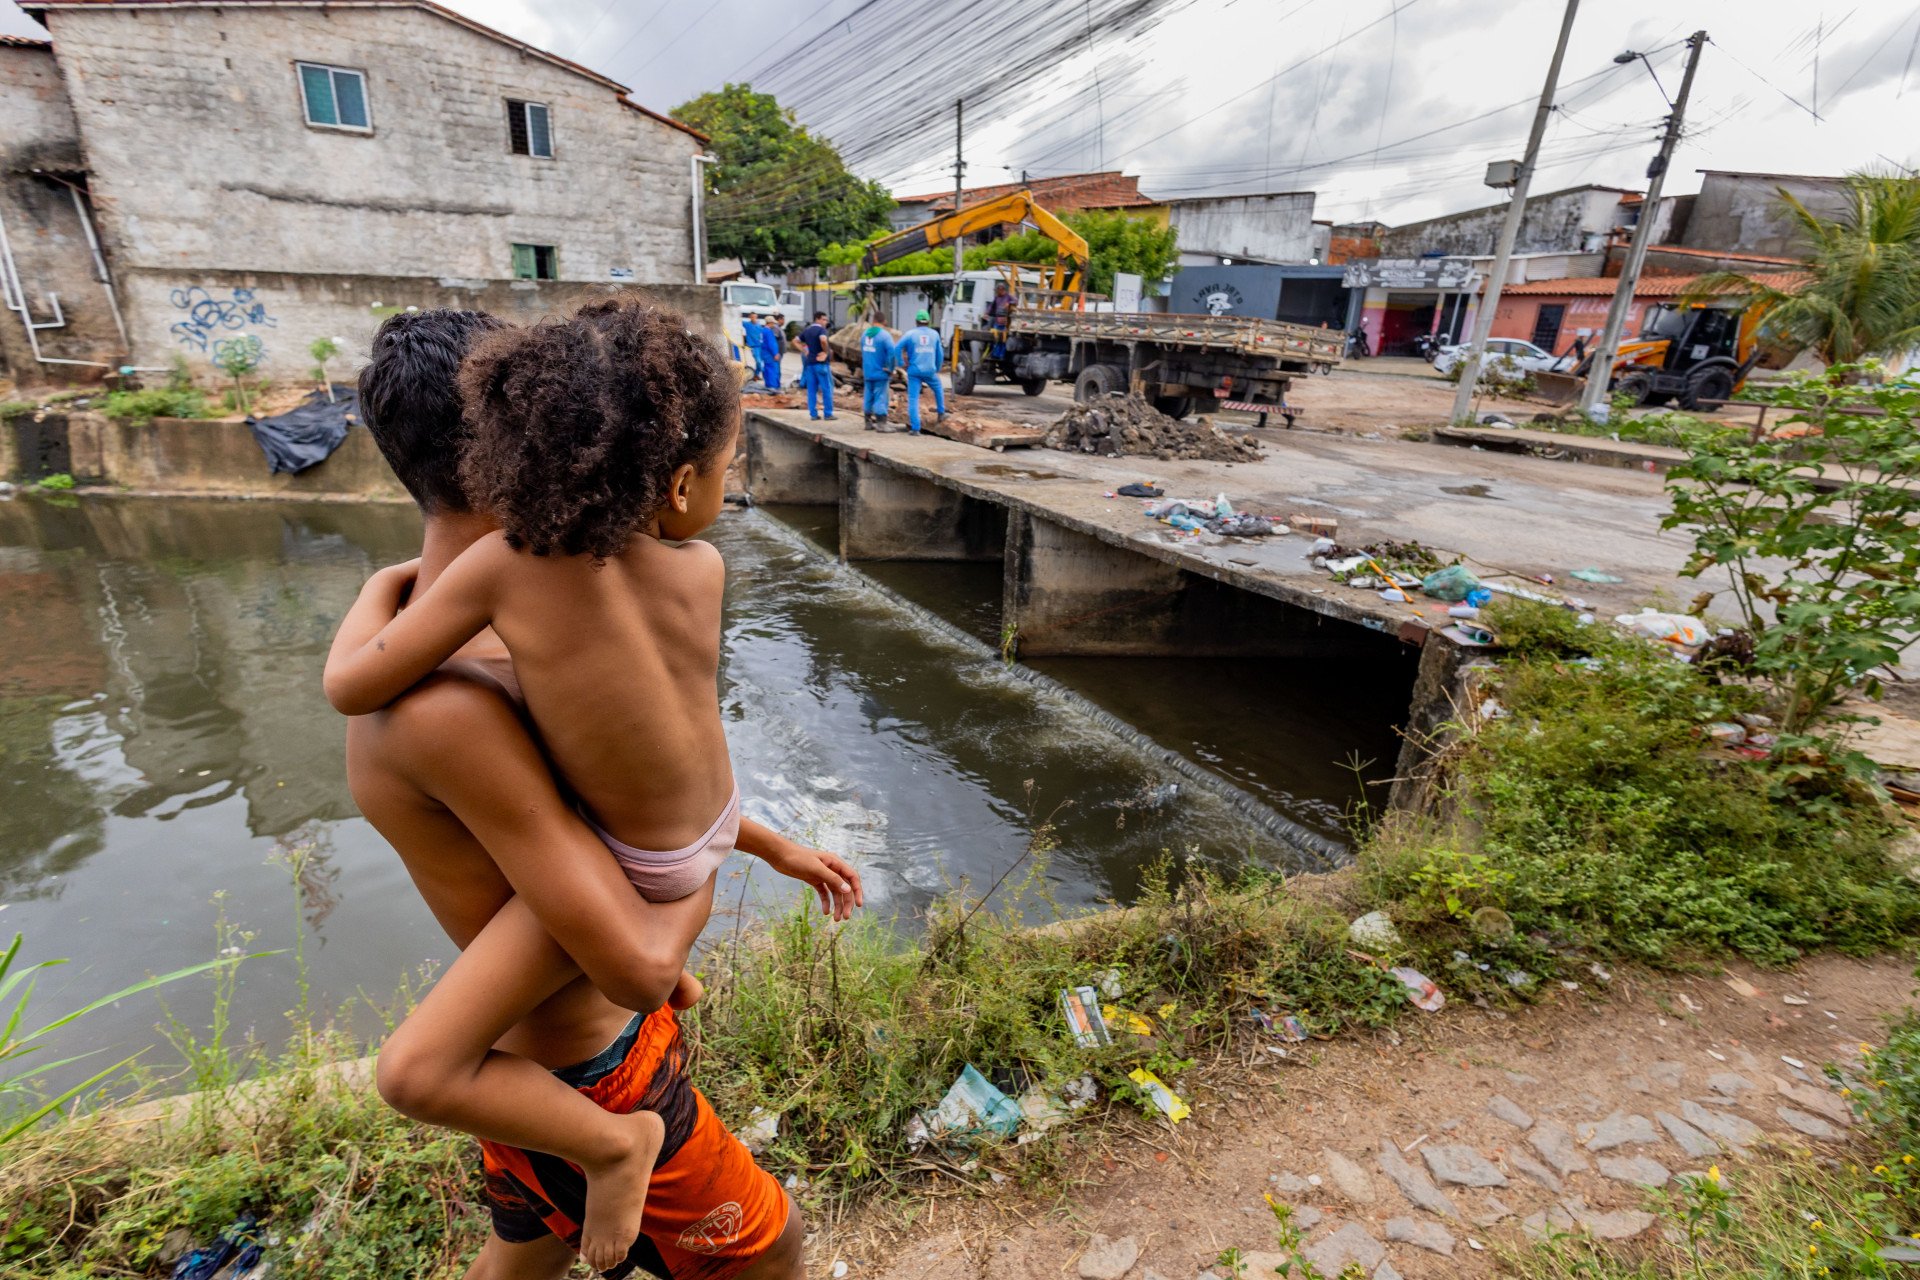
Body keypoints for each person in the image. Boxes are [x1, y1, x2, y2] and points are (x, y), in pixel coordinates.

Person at [330, 299, 862, 1275]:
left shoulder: (476, 631)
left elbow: (629, 798)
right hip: (593, 1077)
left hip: (534, 1063)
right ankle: (618, 1157)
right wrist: (702, 877)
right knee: (773, 1251)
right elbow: (638, 957)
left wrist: (762, 841)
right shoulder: (454, 703)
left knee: (521, 1257)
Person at [896, 309, 945, 435]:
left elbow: (897, 348)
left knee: (913, 398)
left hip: (914, 371)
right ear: (928, 321)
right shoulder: (935, 334)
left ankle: (915, 429)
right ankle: (941, 413)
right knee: (938, 389)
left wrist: (901, 364)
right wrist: (937, 367)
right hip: (930, 370)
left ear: (916, 321)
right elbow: (940, 354)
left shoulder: (910, 334)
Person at [859, 317, 897, 432]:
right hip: (881, 372)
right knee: (881, 396)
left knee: (868, 396)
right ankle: (881, 424)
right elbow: (892, 353)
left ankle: (868, 422)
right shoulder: (885, 336)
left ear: (872, 320)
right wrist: (890, 368)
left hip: (868, 372)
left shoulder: (864, 334)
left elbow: (862, 351)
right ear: (884, 321)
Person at [796, 310, 835, 421]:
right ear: (817, 319)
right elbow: (823, 340)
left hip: (810, 363)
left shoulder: (807, 331)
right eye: (824, 319)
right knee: (826, 388)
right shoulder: (821, 330)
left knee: (811, 390)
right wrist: (826, 352)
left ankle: (813, 414)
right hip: (821, 364)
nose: (825, 322)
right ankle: (828, 414)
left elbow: (795, 341)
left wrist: (804, 351)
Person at [982, 279, 1014, 360]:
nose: (997, 292)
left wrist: (1009, 303)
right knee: (995, 338)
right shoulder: (997, 298)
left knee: (1002, 340)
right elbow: (991, 306)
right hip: (997, 321)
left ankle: (1001, 355)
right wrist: (987, 313)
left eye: (997, 290)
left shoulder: (1008, 296)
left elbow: (1015, 300)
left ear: (1001, 290)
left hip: (1005, 323)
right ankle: (995, 354)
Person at [758, 312, 784, 391]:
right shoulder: (768, 331)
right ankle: (773, 386)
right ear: (770, 323)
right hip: (770, 355)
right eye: (773, 323)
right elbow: (771, 344)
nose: (773, 325)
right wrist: (775, 354)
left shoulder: (763, 330)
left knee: (767, 370)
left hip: (765, 354)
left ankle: (768, 385)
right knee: (772, 370)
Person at [739, 311, 765, 387]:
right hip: (753, 346)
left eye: (755, 317)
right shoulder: (747, 324)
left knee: (759, 362)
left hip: (760, 345)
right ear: (750, 317)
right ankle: (764, 373)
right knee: (758, 361)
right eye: (752, 317)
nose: (754, 318)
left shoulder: (759, 325)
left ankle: (756, 375)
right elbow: (737, 320)